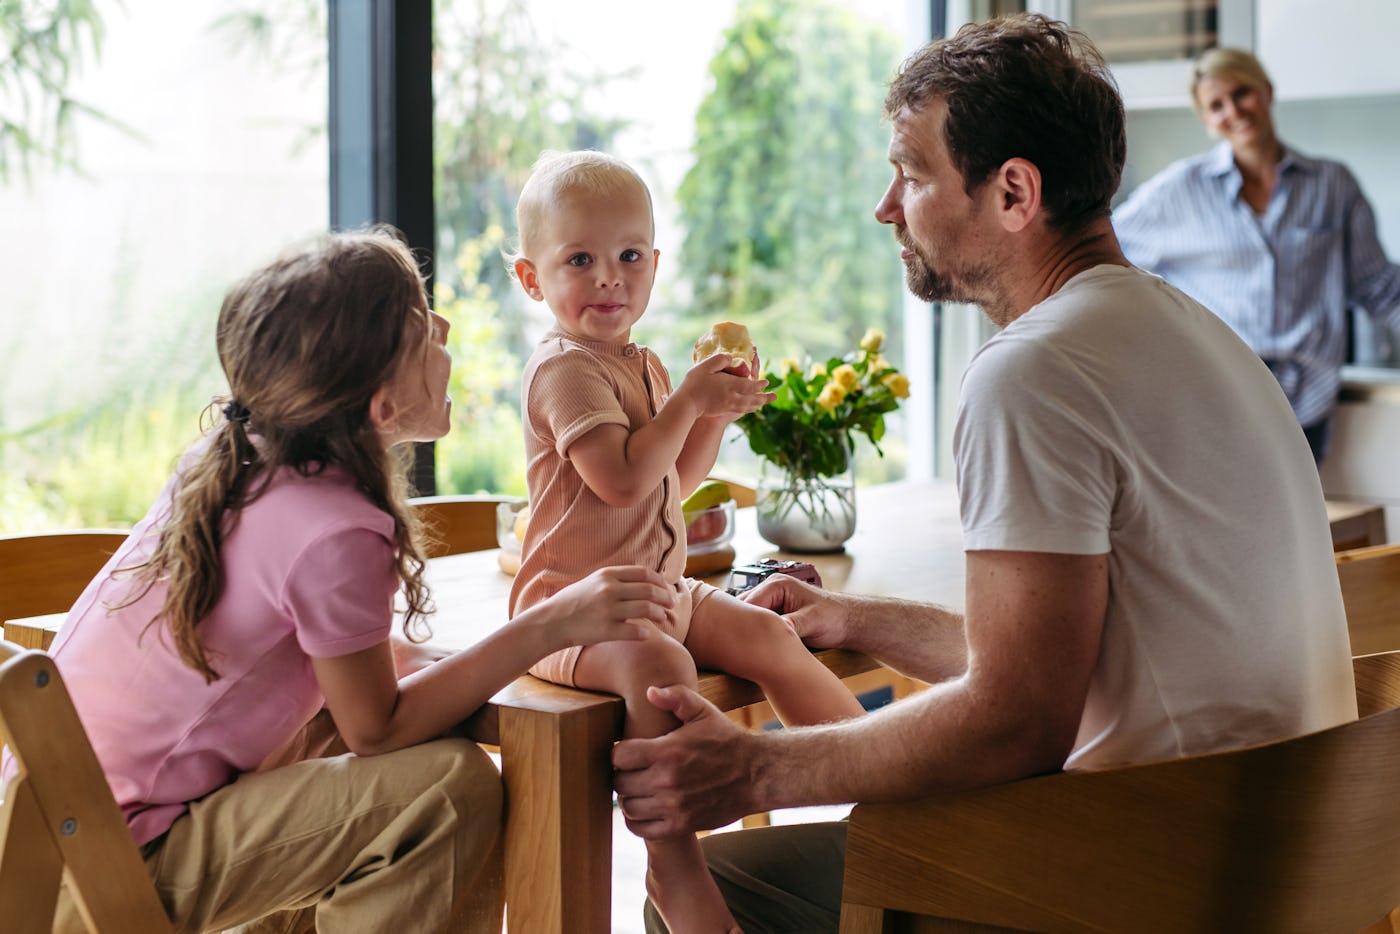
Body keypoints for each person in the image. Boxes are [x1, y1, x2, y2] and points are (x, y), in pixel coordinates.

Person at [610, 15, 1359, 933]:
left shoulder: (1034, 370)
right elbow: (1068, 666)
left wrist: (754, 768)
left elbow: (1017, 721)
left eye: (914, 175)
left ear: (1013, 192)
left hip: (1144, 876)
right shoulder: (1196, 335)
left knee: (714, 887)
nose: (889, 207)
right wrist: (857, 620)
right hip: (1280, 866)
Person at [29, 227, 677, 933]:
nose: (446, 329)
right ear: (380, 407)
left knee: (343, 745)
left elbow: (340, 686)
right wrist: (551, 624)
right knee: (448, 790)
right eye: (423, 327)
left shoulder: (237, 458)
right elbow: (379, 726)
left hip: (40, 834)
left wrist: (460, 665)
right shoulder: (337, 528)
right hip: (103, 868)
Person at [507, 149, 866, 933]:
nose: (610, 277)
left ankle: (883, 783)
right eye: (580, 260)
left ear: (656, 263)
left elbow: (675, 475)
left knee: (767, 634)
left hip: (654, 588)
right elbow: (624, 480)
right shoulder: (562, 371)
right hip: (572, 612)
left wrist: (712, 411)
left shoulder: (643, 362)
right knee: (662, 668)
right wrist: (691, 402)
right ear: (532, 279)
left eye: (630, 256)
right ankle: (675, 869)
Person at [1113, 46, 1400, 464]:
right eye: (1216, 105)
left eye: (1242, 93)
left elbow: (1377, 285)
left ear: (1266, 91)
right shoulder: (1180, 190)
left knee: (1298, 526)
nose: (1234, 110)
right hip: (1214, 397)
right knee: (1220, 525)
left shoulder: (1332, 185)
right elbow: (1105, 252)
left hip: (1307, 403)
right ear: (1206, 120)